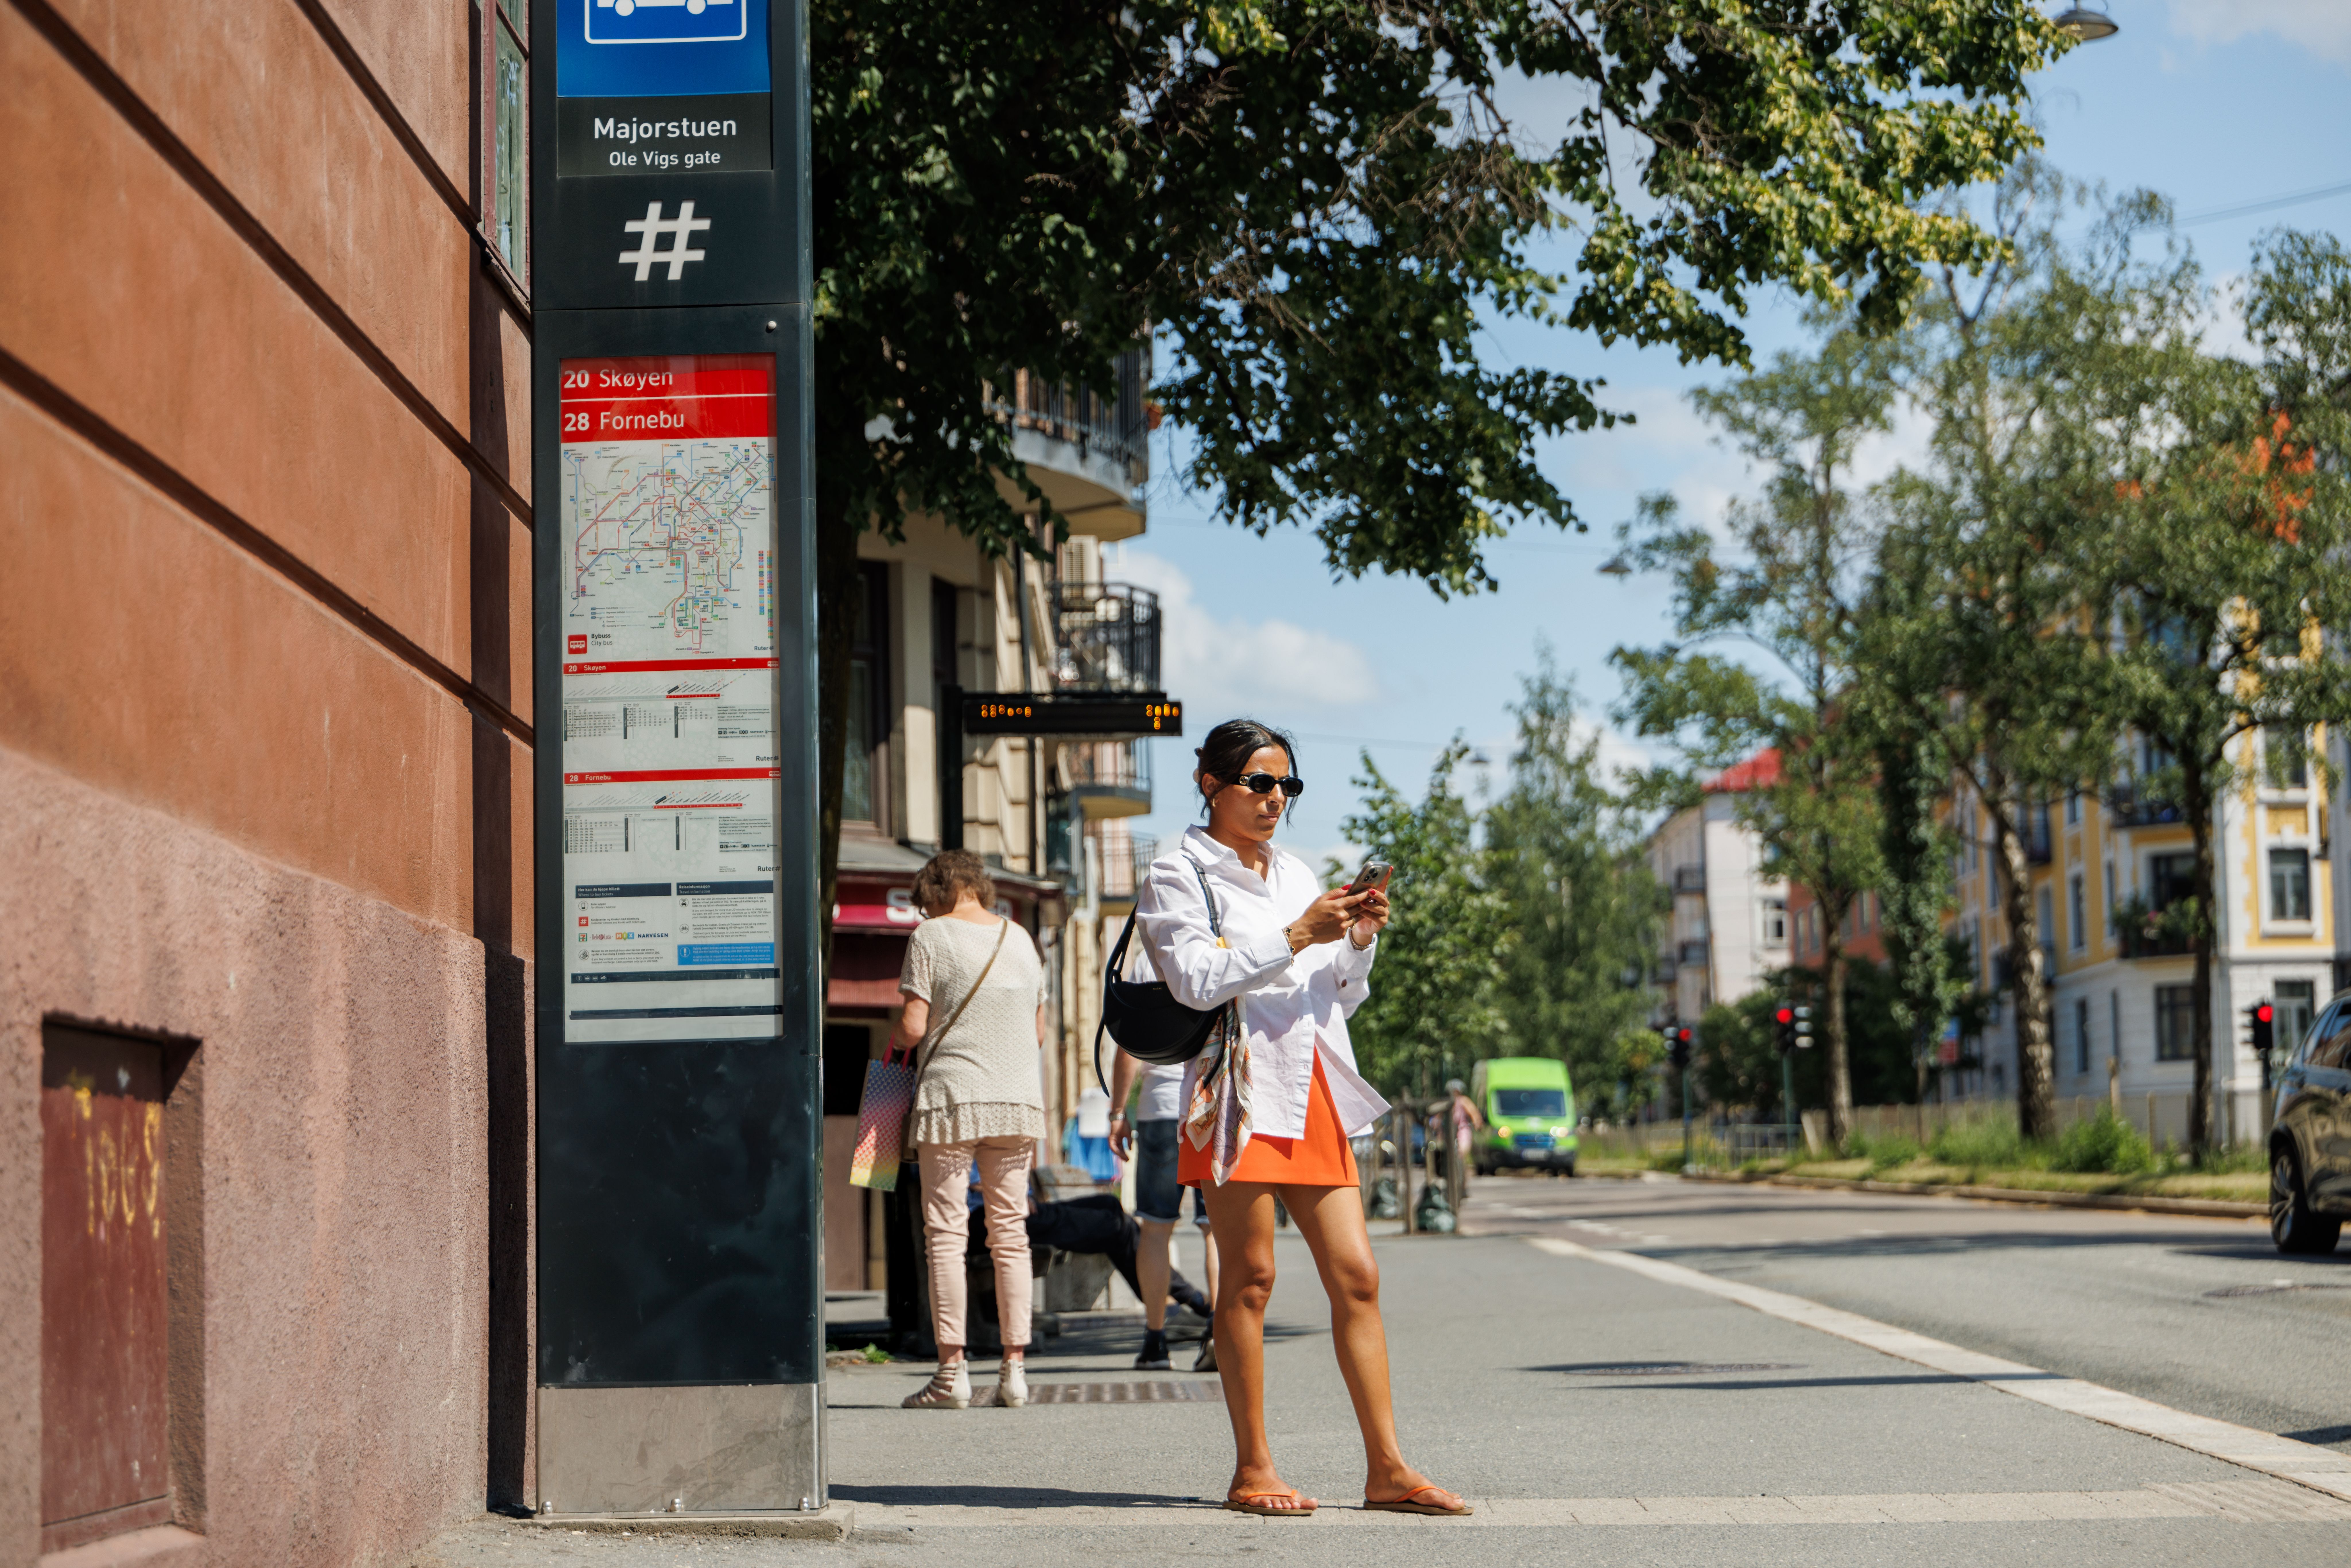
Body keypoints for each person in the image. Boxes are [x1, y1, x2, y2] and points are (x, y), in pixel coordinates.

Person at [1134, 718, 1471, 1517]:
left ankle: (1387, 1469)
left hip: (1313, 1082)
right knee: (1249, 1281)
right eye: (1259, 781)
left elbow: (1338, 990)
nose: (1275, 797)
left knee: (1358, 1275)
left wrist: (1353, 939)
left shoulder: (1297, 871)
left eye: (1287, 784)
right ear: (1212, 783)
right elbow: (1192, 980)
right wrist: (1296, 934)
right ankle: (1254, 1467)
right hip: (1239, 1090)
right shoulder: (1179, 870)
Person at [896, 849, 1048, 1410]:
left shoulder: (931, 936)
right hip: (1015, 1102)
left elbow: (912, 1027)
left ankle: (952, 1371)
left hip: (952, 1099)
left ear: (935, 889)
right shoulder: (1021, 939)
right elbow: (1036, 1031)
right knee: (1011, 1236)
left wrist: (902, 1035)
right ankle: (1014, 1370)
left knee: (946, 1235)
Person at [1109, 1055, 1221, 1371]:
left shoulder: (1149, 999)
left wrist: (1117, 1112)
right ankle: (1218, 1331)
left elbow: (1128, 1048)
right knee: (1215, 1229)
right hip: (1212, 1101)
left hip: (1161, 1107)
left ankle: (1155, 1342)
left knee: (1155, 1229)